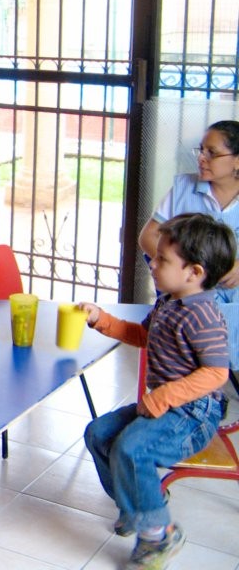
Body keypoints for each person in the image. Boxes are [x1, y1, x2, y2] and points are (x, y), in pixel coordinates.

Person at [82, 212, 233, 569]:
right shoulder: (168, 301)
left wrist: (163, 396)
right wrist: (102, 320)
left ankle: (159, 534)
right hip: (163, 405)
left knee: (132, 450)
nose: (152, 264)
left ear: (194, 272)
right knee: (98, 433)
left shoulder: (203, 316)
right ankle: (137, 505)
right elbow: (144, 336)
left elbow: (216, 373)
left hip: (193, 415)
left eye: (163, 260)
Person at [139, 120, 239, 364]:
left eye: (212, 153)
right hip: (190, 291)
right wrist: (182, 272)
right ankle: (210, 373)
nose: (202, 158)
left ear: (237, 161)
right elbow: (148, 237)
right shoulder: (184, 187)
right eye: (201, 150)